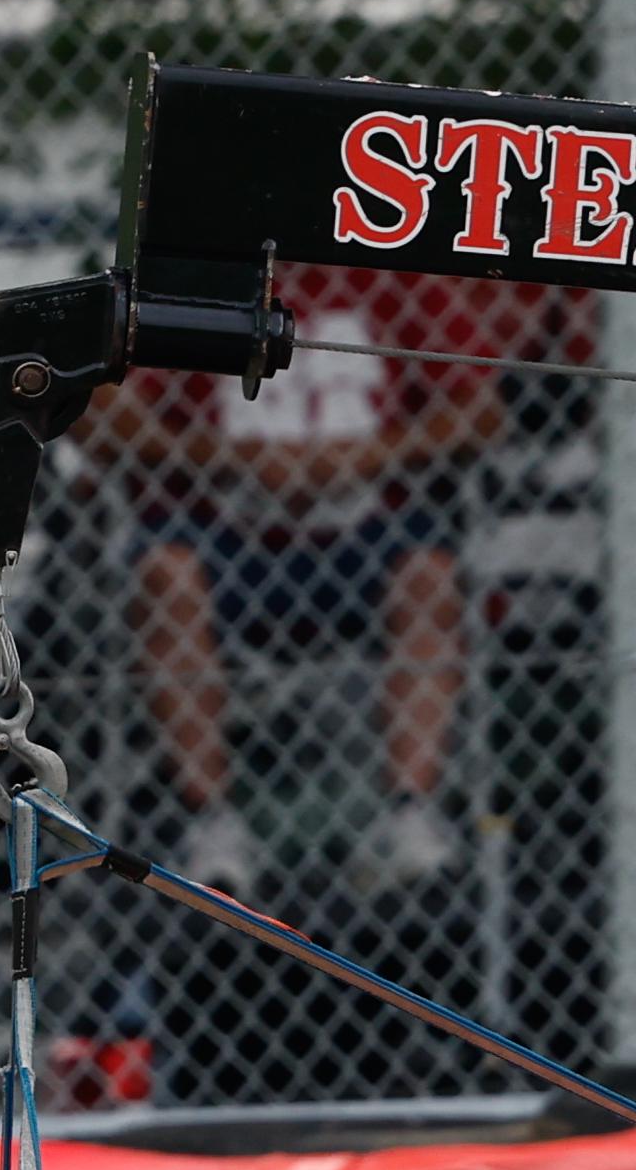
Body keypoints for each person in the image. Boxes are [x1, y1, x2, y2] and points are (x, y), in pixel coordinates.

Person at [103, 263, 531, 898]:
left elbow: (482, 413)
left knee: (430, 573)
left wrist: (372, 454)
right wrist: (228, 457)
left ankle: (409, 815)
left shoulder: (392, 273)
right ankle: (211, 824)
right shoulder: (189, 273)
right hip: (221, 530)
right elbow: (101, 413)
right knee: (166, 575)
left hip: (369, 528)